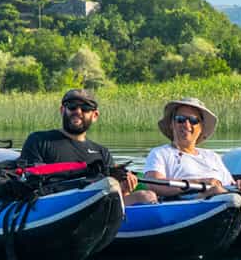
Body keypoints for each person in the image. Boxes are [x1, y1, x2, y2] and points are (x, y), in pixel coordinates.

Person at [18, 87, 154, 204]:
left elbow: (113, 193)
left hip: (96, 209)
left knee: (147, 196)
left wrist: (124, 187)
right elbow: (31, 182)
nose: (78, 111)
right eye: (72, 106)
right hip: (54, 206)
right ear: (62, 110)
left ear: (95, 115)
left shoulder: (101, 152)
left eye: (85, 108)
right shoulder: (39, 140)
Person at [142, 96, 241, 197]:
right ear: (171, 124)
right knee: (217, 190)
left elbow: (231, 185)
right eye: (180, 119)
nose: (187, 125)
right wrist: (199, 182)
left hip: (227, 196)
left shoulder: (212, 156)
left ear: (201, 127)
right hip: (188, 201)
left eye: (193, 120)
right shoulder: (160, 153)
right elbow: (154, 183)